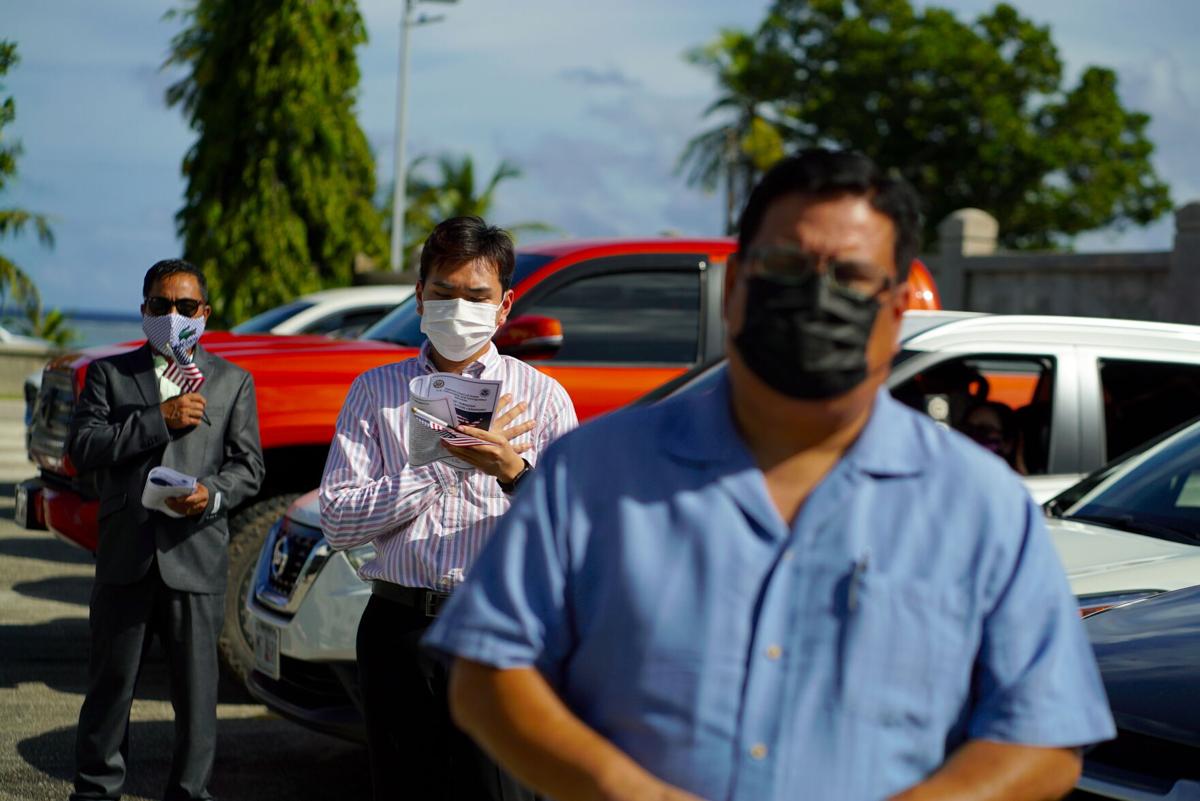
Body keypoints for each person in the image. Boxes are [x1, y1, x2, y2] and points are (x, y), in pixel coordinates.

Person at [422, 150, 1116, 801]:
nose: (815, 298)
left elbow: (1046, 737)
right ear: (735, 289)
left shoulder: (979, 504)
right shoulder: (593, 471)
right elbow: (487, 677)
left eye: (850, 277)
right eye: (786, 268)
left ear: (898, 306)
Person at [319, 216, 578, 801]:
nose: (459, 309)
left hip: (499, 629)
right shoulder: (375, 392)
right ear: (419, 297)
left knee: (500, 789)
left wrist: (512, 471)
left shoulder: (542, 398)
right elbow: (337, 520)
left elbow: (571, 536)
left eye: (476, 296)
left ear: (504, 305)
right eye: (444, 293)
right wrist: (446, 464)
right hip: (399, 629)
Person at [68, 259, 265, 801]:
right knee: (109, 692)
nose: (172, 315)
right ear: (144, 310)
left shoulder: (232, 381)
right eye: (161, 305)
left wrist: (211, 495)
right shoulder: (109, 375)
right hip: (126, 557)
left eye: (184, 306)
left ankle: (189, 793)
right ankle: (94, 791)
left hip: (195, 556)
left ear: (204, 313)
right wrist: (161, 418)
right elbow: (83, 448)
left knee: (197, 700)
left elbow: (249, 467)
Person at [961, 400, 1026, 474]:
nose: (974, 435)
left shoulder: (1017, 480)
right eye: (968, 429)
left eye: (985, 430)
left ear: (1008, 443)